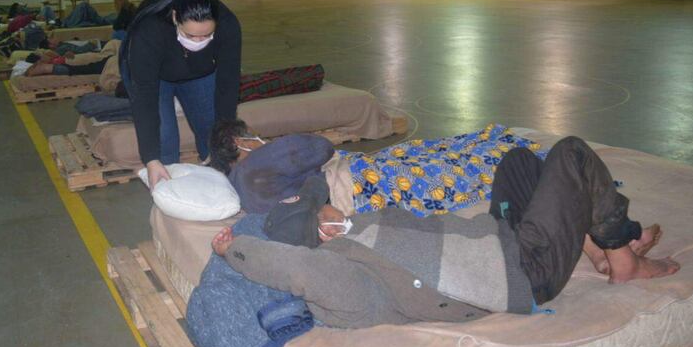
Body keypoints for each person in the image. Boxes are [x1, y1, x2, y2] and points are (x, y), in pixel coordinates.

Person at [208, 137, 680, 328]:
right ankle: (624, 261)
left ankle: (594, 247)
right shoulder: (352, 280)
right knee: (572, 155)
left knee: (518, 161)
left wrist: (320, 209)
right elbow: (301, 272)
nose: (333, 207)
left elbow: (313, 186)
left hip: (499, 235)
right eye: (324, 213)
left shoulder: (355, 230)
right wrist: (237, 250)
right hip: (523, 269)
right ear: (322, 233)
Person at [209, 120, 546, 217]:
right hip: (354, 184)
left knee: (414, 152)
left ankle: (502, 152)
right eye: (252, 136)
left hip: (348, 181)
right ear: (241, 143)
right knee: (437, 169)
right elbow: (317, 148)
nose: (258, 139)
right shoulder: (256, 164)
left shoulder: (243, 189)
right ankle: (510, 157)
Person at [121, 0, 242, 189]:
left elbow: (227, 87)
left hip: (199, 74)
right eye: (190, 35)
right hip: (156, 78)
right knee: (164, 140)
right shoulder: (150, 30)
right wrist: (151, 159)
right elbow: (145, 99)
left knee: (212, 133)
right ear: (176, 17)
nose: (198, 42)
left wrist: (225, 144)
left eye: (206, 36)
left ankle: (216, 185)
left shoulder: (228, 25)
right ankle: (169, 190)